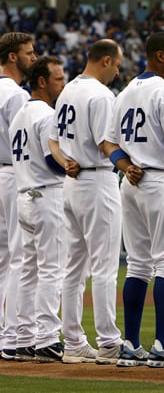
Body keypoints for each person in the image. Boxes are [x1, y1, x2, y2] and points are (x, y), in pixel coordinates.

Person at [103, 31, 164, 368]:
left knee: (137, 264)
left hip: (131, 182)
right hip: (162, 180)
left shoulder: (125, 93)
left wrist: (125, 165)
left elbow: (107, 143)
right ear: (160, 56)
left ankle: (131, 344)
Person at [48, 39, 127, 365]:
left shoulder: (68, 90)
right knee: (105, 268)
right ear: (105, 60)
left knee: (74, 268)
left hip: (72, 182)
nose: (118, 71)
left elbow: (52, 139)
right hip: (96, 180)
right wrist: (128, 163)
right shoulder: (100, 94)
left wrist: (65, 159)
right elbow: (106, 142)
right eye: (117, 64)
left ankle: (74, 342)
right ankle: (109, 342)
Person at [9, 55, 65, 363]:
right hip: (46, 196)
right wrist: (73, 166)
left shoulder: (20, 114)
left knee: (28, 271)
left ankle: (23, 338)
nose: (63, 84)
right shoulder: (47, 114)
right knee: (50, 269)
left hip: (24, 196)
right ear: (41, 81)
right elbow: (51, 159)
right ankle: (46, 339)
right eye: (58, 79)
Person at [0, 32, 36, 360]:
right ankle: (11, 337)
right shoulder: (16, 95)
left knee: (2, 259)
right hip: (12, 174)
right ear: (13, 57)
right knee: (18, 257)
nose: (33, 57)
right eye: (29, 52)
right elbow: (24, 145)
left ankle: (3, 334)